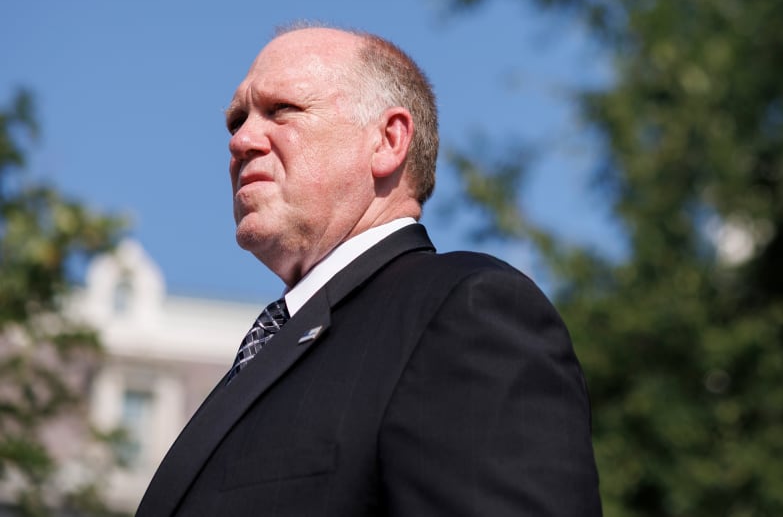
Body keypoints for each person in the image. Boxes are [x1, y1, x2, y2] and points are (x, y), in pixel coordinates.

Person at [136, 26, 602, 516]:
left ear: (388, 140)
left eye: (282, 110)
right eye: (237, 121)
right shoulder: (270, 351)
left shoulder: (466, 313)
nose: (243, 140)